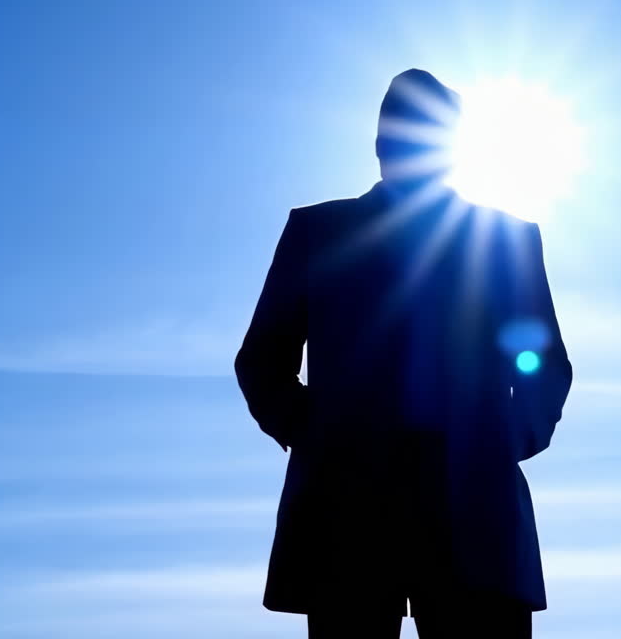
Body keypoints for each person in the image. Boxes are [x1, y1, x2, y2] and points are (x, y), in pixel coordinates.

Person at [234, 69, 573, 638]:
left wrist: (503, 440)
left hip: (475, 513)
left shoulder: (508, 239)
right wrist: (320, 436)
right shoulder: (317, 232)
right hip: (349, 515)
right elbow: (262, 360)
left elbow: (542, 364)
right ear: (378, 142)